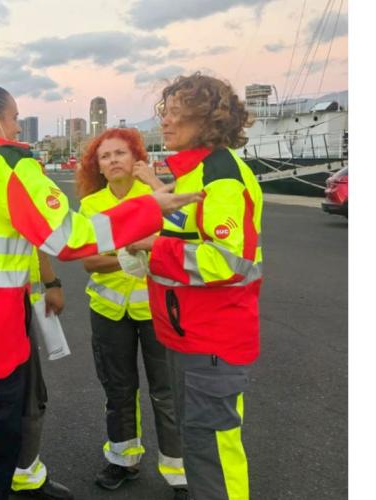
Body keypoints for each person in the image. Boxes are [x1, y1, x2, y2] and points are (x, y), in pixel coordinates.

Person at [0, 82, 201, 500]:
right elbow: (70, 238)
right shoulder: (10, 166)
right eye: (15, 119)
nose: (18, 130)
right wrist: (148, 209)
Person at [138, 73, 263, 500]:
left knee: (212, 451)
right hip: (189, 334)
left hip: (212, 338)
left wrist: (152, 247)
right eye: (165, 112)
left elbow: (227, 261)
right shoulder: (195, 174)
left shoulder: (221, 175)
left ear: (208, 121)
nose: (165, 123)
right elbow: (188, 234)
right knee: (200, 443)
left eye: (176, 113)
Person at [76, 128, 187, 499]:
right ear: (99, 167)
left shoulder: (156, 197)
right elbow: (89, 261)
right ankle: (124, 459)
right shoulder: (92, 206)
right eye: (105, 156)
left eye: (120, 153)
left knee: (166, 391)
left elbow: (178, 242)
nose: (113, 160)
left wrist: (125, 250)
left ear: (136, 158)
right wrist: (132, 254)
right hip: (109, 312)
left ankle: (178, 471)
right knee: (119, 389)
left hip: (157, 311)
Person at [10, 249, 73, 500]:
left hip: (15, 301)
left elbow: (34, 239)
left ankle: (24, 474)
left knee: (29, 393)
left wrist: (51, 283)